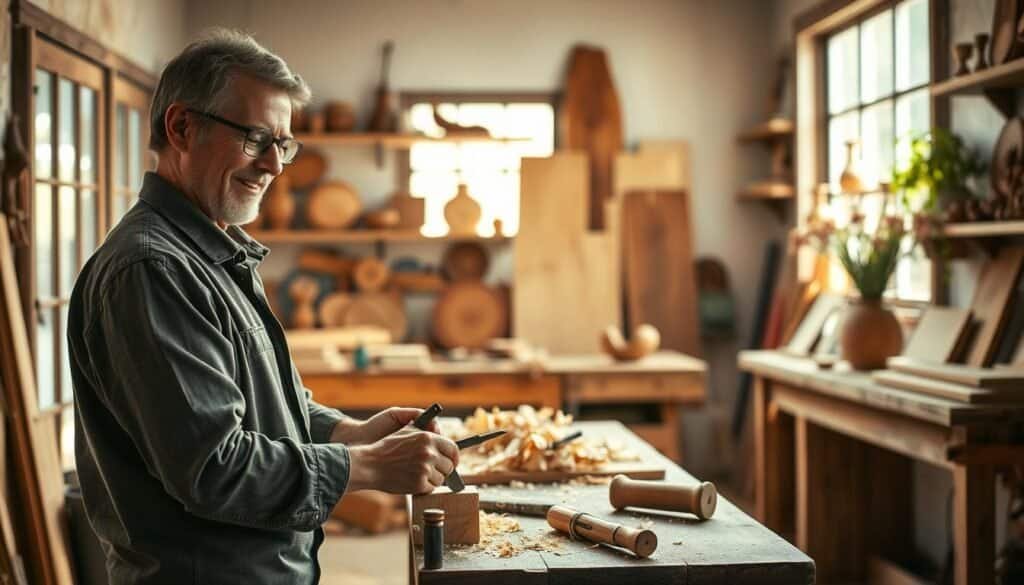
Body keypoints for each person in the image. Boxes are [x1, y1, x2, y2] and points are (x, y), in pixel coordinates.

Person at [67, 29, 458, 585]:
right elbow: (214, 468)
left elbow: (262, 407)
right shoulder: (153, 270)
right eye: (255, 138)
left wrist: (349, 433)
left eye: (284, 144)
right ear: (182, 127)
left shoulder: (213, 254)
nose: (275, 165)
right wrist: (369, 466)